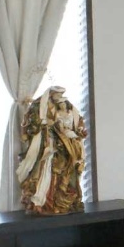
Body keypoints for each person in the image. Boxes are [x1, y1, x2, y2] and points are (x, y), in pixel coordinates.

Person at [16, 86, 87, 214]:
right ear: (52, 93)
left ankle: (61, 199)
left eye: (61, 96)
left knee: (66, 168)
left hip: (65, 144)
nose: (59, 99)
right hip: (47, 144)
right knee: (45, 170)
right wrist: (44, 123)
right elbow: (32, 123)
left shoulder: (69, 107)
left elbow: (77, 123)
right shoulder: (39, 105)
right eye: (57, 95)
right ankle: (44, 201)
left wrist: (74, 133)